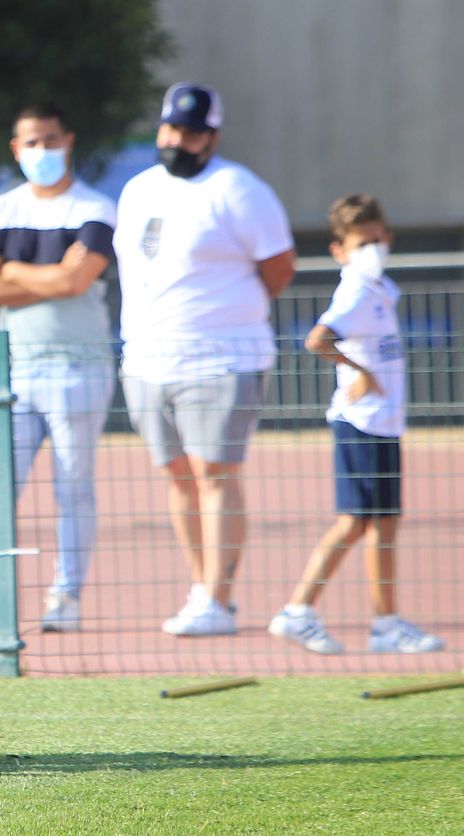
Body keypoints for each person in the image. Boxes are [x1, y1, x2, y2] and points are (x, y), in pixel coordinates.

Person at [114, 83, 297, 637]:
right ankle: (202, 589)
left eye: (191, 132)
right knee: (177, 476)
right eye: (170, 128)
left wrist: (227, 314)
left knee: (215, 473)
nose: (177, 140)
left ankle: (218, 597)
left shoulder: (239, 189)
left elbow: (279, 267)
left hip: (221, 358)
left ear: (212, 137)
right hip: (146, 357)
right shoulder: (138, 188)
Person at [0, 102, 117, 637]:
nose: (42, 151)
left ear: (69, 140)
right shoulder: (1, 209)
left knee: (73, 487)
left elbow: (77, 282)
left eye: (51, 140)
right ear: (16, 149)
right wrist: (41, 273)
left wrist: (14, 270)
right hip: (12, 371)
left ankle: (66, 597)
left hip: (79, 367)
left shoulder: (97, 207)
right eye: (31, 143)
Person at [269, 195, 443, 654]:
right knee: (353, 522)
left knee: (385, 524)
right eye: (361, 242)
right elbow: (318, 340)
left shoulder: (381, 288)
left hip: (385, 423)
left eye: (378, 238)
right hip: (360, 423)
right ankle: (297, 610)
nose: (373, 248)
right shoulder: (356, 292)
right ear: (340, 250)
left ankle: (386, 623)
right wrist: (361, 372)